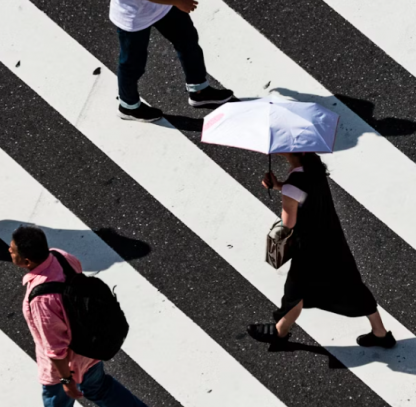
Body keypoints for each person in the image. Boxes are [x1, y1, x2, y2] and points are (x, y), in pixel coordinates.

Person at [9, 225, 166, 407]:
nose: (9, 250)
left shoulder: (42, 298)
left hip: (66, 363)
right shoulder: (60, 256)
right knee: (99, 387)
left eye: (13, 249)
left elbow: (55, 347)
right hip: (88, 347)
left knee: (56, 404)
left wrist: (66, 381)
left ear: (26, 259)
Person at [247, 153, 396, 349]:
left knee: (295, 292)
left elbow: (288, 223)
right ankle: (380, 333)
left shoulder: (294, 183)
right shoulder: (314, 169)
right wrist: (280, 187)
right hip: (331, 238)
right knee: (352, 285)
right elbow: (303, 193)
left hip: (309, 249)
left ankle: (280, 333)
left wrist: (284, 198)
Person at [111, 0, 234, 122]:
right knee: (132, 64)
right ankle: (128, 107)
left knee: (188, 41)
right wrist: (178, 2)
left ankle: (199, 91)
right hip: (134, 15)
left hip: (164, 6)